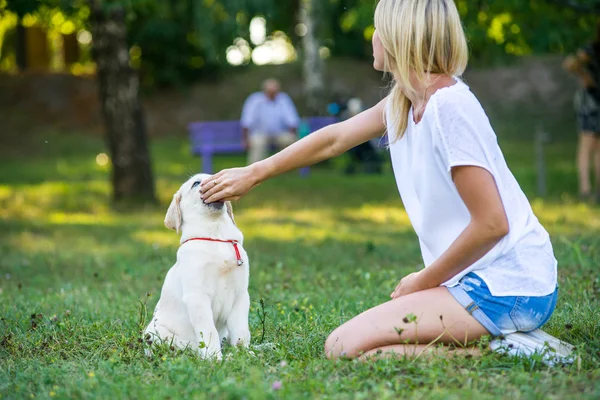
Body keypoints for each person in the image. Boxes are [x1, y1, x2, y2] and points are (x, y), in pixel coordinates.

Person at [201, 0, 558, 360]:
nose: (372, 38)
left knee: (342, 347)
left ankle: (516, 352)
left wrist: (424, 280)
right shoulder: (405, 101)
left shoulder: (449, 108)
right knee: (359, 349)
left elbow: (493, 224)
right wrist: (254, 173)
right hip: (475, 281)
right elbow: (333, 140)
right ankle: (503, 343)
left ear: (398, 37)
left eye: (377, 29)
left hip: (510, 286)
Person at [563, 26, 600, 204]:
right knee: (587, 145)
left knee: (598, 148)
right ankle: (585, 190)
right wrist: (584, 75)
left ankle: (597, 193)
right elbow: (570, 63)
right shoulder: (591, 50)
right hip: (591, 101)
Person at [240, 79, 300, 165]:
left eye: (275, 91)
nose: (273, 94)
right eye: (270, 91)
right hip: (259, 133)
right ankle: (254, 170)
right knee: (257, 144)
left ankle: (287, 166)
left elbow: (292, 120)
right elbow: (247, 121)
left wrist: (294, 136)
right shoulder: (255, 100)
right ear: (264, 90)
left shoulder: (284, 99)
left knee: (290, 140)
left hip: (279, 133)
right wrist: (245, 139)